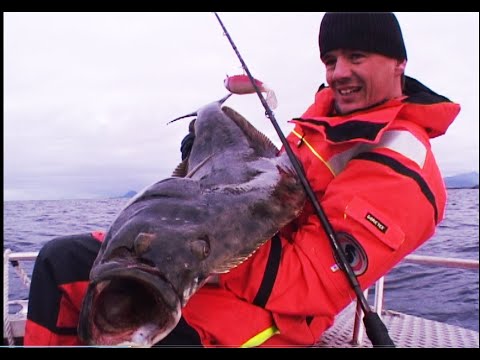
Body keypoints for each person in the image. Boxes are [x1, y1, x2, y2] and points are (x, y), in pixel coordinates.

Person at [24, 12, 460, 347]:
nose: (338, 72)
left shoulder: (403, 164)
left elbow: (310, 280)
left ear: (398, 63)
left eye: (356, 57)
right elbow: (262, 179)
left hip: (276, 318)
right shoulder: (321, 128)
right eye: (330, 60)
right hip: (211, 267)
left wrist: (193, 251)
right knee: (59, 260)